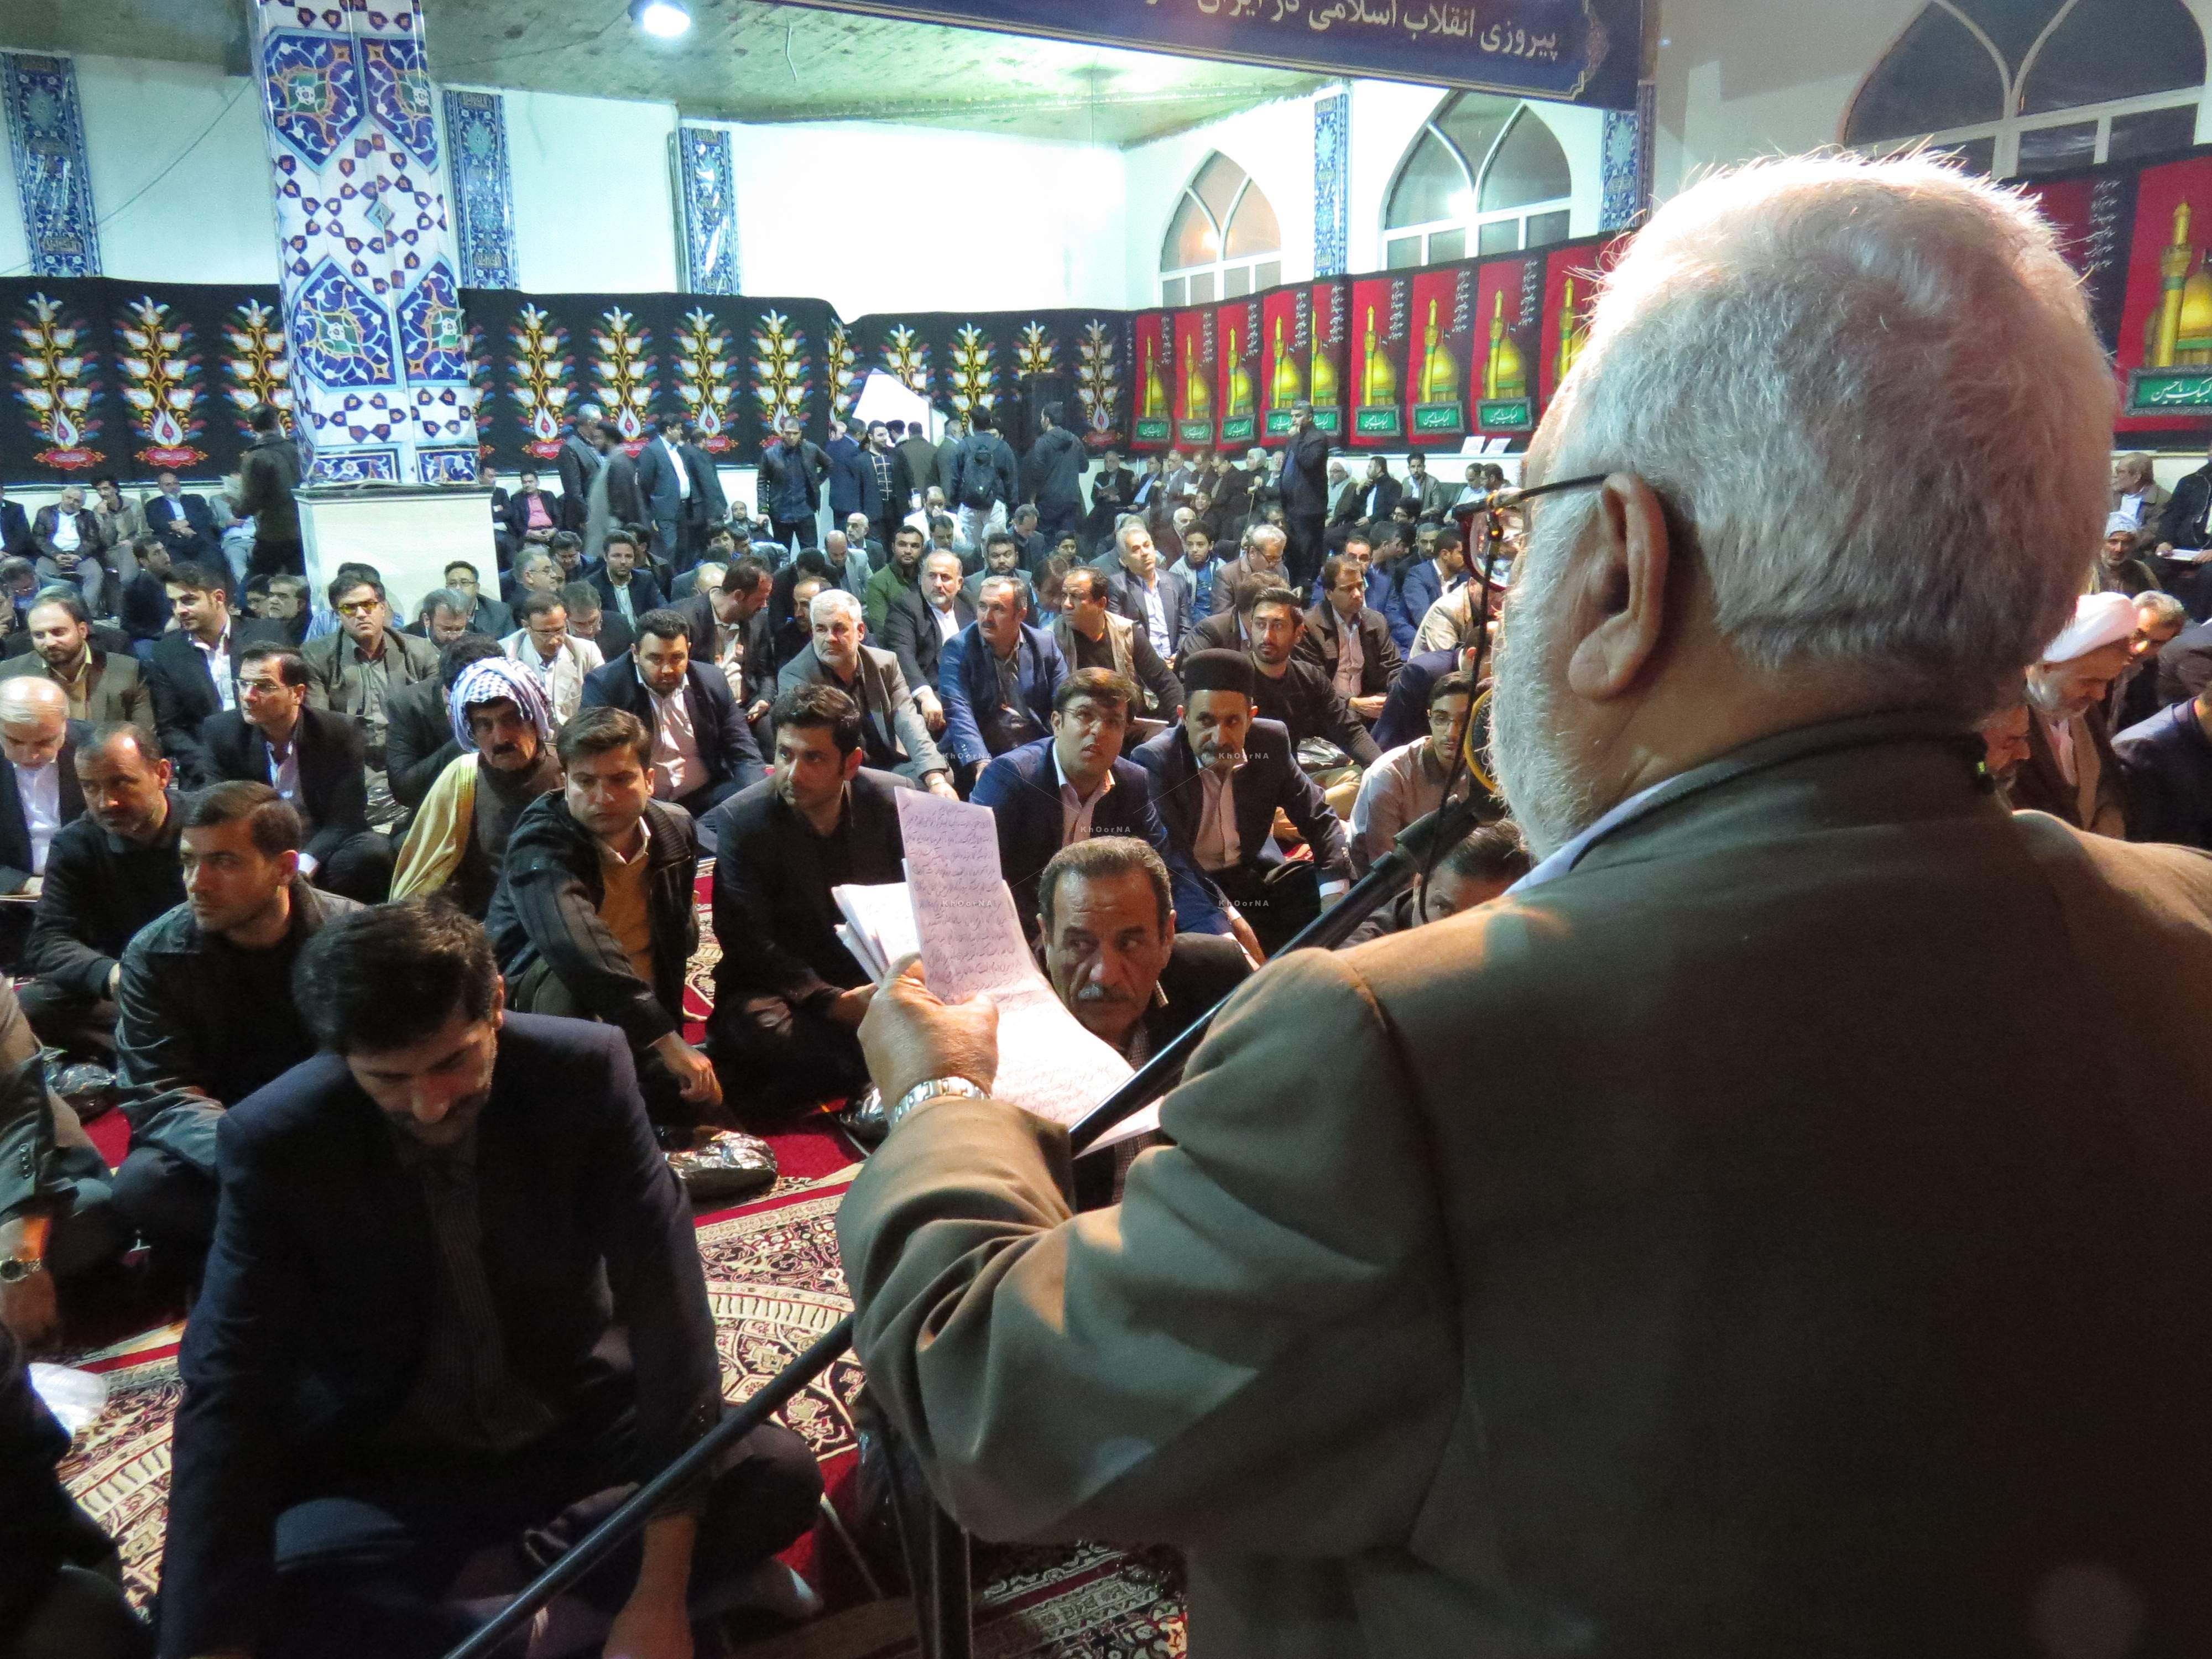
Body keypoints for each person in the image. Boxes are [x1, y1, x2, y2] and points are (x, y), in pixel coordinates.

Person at [839, 154, 2212, 1655]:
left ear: (1622, 569)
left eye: (1524, 523)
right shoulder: (2186, 930)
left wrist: (940, 1105)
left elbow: (996, 1401)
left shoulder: (1406, 1056)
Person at [160, 898, 822, 1659]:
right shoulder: (277, 1139)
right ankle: (578, 1610)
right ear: (338, 1054)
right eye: (389, 1079)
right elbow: (228, 1382)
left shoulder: (583, 1070)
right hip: (400, 1461)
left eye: (453, 1062)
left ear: (497, 1004)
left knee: (775, 1474)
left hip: (572, 1419)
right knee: (266, 1587)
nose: (429, 1103)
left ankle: (486, 1617)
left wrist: (660, 1592)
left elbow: (669, 1311)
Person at [111, 784, 361, 1266]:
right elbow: (162, 1094)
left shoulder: (353, 938)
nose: (197, 884)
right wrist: (260, 1156)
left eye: (223, 863)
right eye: (188, 862)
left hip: (329, 1130)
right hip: (225, 1139)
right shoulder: (155, 953)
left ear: (284, 868)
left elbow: (379, 1063)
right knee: (144, 1185)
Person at [486, 707, 721, 1134]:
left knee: (694, 1103)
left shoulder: (674, 829)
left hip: (640, 1009)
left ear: (649, 780)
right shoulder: (540, 841)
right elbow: (575, 946)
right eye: (586, 782)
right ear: (565, 782)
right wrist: (667, 1040)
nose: (602, 797)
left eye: (620, 779)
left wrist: (667, 1034)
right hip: (547, 1006)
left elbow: (675, 941)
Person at [704, 685, 912, 1115]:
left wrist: (893, 983)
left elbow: (915, 901)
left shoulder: (892, 801)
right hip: (783, 984)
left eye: (813, 758)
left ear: (851, 763)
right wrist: (830, 1001)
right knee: (758, 1027)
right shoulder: (743, 821)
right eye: (785, 754)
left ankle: (857, 1059)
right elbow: (748, 942)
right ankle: (875, 1059)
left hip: (868, 974)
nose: (792, 774)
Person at [969, 666, 1226, 940]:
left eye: (1113, 722)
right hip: (1020, 934)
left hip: (1104, 934)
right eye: (1084, 715)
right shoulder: (1011, 778)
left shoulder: (1132, 783)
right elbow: (974, 877)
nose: (1098, 731)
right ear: (1057, 723)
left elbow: (1166, 870)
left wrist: (1217, 934)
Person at [1131, 648, 1349, 956]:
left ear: (1251, 718)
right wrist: (1228, 927)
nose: (1219, 738)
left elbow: (1319, 818)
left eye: (1233, 721)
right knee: (1211, 957)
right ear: (1183, 717)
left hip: (1250, 877)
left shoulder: (1271, 741)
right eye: (1206, 721)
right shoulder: (1156, 761)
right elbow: (1173, 864)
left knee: (1344, 890)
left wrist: (1334, 902)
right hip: (1192, 890)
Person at [18, 724, 184, 1052]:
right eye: (90, 787)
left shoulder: (207, 826)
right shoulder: (75, 843)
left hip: (209, 974)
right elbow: (48, 941)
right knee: (36, 1004)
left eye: (121, 782)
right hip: (130, 987)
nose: (106, 802)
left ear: (162, 774)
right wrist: (111, 975)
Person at [201, 644, 391, 901]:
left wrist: (303, 863)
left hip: (319, 847)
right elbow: (219, 808)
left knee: (372, 851)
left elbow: (346, 818)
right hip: (256, 847)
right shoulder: (221, 732)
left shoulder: (338, 732)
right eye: (243, 684)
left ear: (298, 693)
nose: (248, 696)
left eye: (263, 686)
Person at [390, 658, 564, 919]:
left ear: (535, 720)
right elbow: (431, 877)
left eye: (512, 720)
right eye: (485, 725)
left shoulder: (570, 774)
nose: (501, 738)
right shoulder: (461, 779)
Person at [580, 607, 766, 823]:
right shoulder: (605, 685)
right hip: (646, 805)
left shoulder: (712, 680)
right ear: (635, 653)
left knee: (758, 800)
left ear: (689, 650)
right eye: (656, 659)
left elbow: (743, 749)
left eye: (677, 658)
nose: (667, 669)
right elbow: (600, 759)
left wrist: (757, 798)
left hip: (709, 797)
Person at [778, 588, 957, 795]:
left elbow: (908, 722)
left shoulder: (885, 663)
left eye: (839, 629)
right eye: (820, 629)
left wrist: (935, 779)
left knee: (941, 777)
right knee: (874, 792)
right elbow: (817, 746)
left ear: (861, 631)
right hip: (838, 770)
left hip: (888, 761)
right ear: (812, 633)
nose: (829, 638)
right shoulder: (796, 677)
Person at [302, 571, 439, 815]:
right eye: (349, 608)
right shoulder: (316, 656)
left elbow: (438, 720)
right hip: (353, 767)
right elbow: (321, 727)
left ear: (383, 608)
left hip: (411, 763)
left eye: (368, 605)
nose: (361, 614)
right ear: (337, 615)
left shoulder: (420, 651)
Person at [2012, 590, 2133, 837]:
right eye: (2089, 681)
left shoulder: (2081, 708)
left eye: (2106, 682)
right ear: (2045, 666)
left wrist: (2109, 816)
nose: (2100, 695)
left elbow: (2106, 780)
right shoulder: (2004, 724)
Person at [938, 575, 1068, 785]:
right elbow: (958, 712)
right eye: (982, 606)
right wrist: (981, 762)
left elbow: (1064, 702)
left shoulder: (1045, 644)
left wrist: (1065, 747)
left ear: (1021, 614)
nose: (986, 618)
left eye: (998, 609)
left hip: (1034, 748)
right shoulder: (958, 648)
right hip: (980, 749)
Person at [1347, 670, 1475, 875]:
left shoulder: (1485, 766)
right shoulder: (1391, 774)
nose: (1451, 732)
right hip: (1385, 880)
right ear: (1429, 718)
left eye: (1465, 720)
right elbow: (1384, 868)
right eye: (1441, 719)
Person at [1246, 585, 1382, 769]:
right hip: (1244, 776)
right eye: (1260, 625)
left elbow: (1349, 732)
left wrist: (1383, 769)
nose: (1266, 637)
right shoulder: (1233, 679)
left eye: (1278, 626)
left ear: (1298, 633)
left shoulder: (1309, 678)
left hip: (1294, 776)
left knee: (1364, 777)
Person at [1339, 819, 1532, 946]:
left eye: (1484, 919)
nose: (1459, 938)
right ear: (1419, 884)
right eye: (1445, 910)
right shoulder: (1357, 957)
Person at [385, 634, 502, 817]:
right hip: (438, 811)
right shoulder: (409, 704)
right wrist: (466, 737)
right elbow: (404, 790)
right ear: (447, 692)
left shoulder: (514, 699)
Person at [1052, 565, 1182, 720]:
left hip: (1126, 721)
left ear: (1101, 604)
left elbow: (1165, 682)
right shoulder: (1053, 638)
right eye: (1064, 596)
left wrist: (1182, 726)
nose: (1067, 604)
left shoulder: (1126, 632)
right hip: (1079, 723)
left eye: (1076, 597)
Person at [1, 592, 147, 724]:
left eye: (58, 632)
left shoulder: (127, 670)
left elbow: (143, 736)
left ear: (82, 631)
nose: (49, 642)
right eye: (39, 635)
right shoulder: (10, 674)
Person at [1300, 551, 1402, 728]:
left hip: (1369, 711)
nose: (1357, 594)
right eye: (1347, 589)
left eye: (1360, 586)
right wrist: (1352, 703)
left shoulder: (1376, 621)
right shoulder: (1308, 626)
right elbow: (1314, 685)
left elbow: (1392, 668)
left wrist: (1395, 695)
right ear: (1329, 593)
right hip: (1326, 715)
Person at [880, 547, 972, 734]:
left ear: (959, 583)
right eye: (931, 576)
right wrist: (926, 696)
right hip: (932, 692)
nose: (937, 584)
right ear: (921, 579)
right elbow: (902, 654)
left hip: (969, 689)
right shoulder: (906, 606)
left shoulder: (969, 602)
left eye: (945, 577)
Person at [637, 411, 725, 570]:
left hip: (684, 508)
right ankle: (666, 580)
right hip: (665, 510)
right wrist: (654, 508)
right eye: (678, 429)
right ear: (669, 429)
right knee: (669, 549)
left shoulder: (678, 450)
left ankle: (680, 579)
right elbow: (645, 482)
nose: (681, 432)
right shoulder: (652, 450)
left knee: (684, 550)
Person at [503, 588, 604, 725]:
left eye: (559, 630)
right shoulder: (506, 653)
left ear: (566, 621)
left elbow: (602, 699)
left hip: (575, 731)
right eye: (545, 633)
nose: (554, 640)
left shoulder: (587, 651)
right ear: (526, 626)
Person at [1100, 517, 1191, 666]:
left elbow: (1186, 627)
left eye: (1147, 546)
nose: (1144, 553)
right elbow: (1120, 636)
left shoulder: (1176, 581)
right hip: (1141, 667)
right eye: (1136, 549)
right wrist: (1154, 663)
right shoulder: (1117, 586)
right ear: (1124, 560)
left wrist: (1179, 655)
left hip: (1175, 663)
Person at [233, 401, 303, 575]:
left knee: (256, 582)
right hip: (302, 527)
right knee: (301, 580)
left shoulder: (256, 457)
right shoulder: (296, 450)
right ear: (276, 422)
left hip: (273, 532)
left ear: (251, 426)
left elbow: (250, 501)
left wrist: (236, 509)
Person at [2108, 589, 2186, 733]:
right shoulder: (2092, 659)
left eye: (2156, 643)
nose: (2141, 649)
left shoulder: (2151, 669)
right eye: (2138, 634)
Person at [1383, 523, 1468, 653]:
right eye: (1462, 553)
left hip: (1453, 647)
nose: (1467, 558)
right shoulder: (1418, 575)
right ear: (1445, 554)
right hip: (1418, 646)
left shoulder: (1465, 577)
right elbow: (1425, 619)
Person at [951, 407, 1019, 554]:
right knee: (997, 549)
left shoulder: (963, 445)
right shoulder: (1002, 447)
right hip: (995, 505)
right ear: (990, 422)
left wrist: (955, 503)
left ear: (972, 423)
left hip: (969, 506)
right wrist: (1013, 507)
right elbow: (1011, 480)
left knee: (971, 551)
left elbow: (955, 477)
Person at [758, 413, 828, 552]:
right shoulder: (770, 454)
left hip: (805, 510)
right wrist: (762, 510)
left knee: (811, 553)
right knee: (782, 553)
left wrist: (816, 482)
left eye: (795, 433)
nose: (791, 437)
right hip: (780, 513)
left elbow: (829, 465)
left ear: (800, 433)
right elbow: (762, 482)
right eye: (788, 433)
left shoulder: (811, 449)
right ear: (782, 432)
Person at [29, 486, 103, 613]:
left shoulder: (88, 515)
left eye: (77, 501)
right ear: (63, 496)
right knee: (39, 573)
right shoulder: (45, 512)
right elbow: (39, 538)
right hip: (51, 555)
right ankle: (52, 610)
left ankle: (86, 612)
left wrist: (78, 555)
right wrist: (56, 555)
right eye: (69, 498)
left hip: (80, 555)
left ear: (82, 504)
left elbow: (93, 540)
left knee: (96, 573)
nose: (71, 502)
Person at [1025, 401, 1087, 546]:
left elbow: (1037, 474)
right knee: (1067, 542)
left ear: (1047, 420)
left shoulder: (1042, 442)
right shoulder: (1075, 440)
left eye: (1042, 418)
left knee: (1047, 543)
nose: (1041, 421)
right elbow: (1085, 467)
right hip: (1071, 499)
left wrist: (1032, 499)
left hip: (1048, 501)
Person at [1206, 519, 1292, 620]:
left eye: (1279, 558)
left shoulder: (1282, 570)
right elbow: (1222, 618)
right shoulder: (1226, 575)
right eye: (1270, 558)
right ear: (1252, 552)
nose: (1274, 564)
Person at [143, 468, 221, 565]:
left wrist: (187, 522)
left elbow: (206, 515)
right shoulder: (153, 504)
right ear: (160, 487)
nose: (173, 487)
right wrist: (180, 529)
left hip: (199, 537)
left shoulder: (195, 499)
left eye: (176, 483)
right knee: (175, 565)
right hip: (172, 541)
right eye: (168, 485)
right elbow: (155, 523)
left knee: (213, 561)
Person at [863, 521, 929, 633]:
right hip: (897, 641)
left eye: (914, 546)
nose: (908, 551)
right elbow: (882, 630)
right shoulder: (878, 582)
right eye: (902, 545)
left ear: (922, 549)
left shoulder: (929, 577)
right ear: (893, 548)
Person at [440, 560, 514, 639]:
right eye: (452, 584)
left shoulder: (500, 611)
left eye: (464, 583)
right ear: (447, 588)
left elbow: (512, 643)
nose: (458, 588)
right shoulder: (438, 613)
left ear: (477, 587)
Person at [500, 466, 562, 556]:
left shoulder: (548, 495)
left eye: (530, 482)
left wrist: (553, 531)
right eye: (524, 482)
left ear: (537, 482)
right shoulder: (517, 499)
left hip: (550, 530)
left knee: (565, 543)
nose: (527, 485)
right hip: (530, 533)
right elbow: (516, 522)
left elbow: (559, 517)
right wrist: (531, 533)